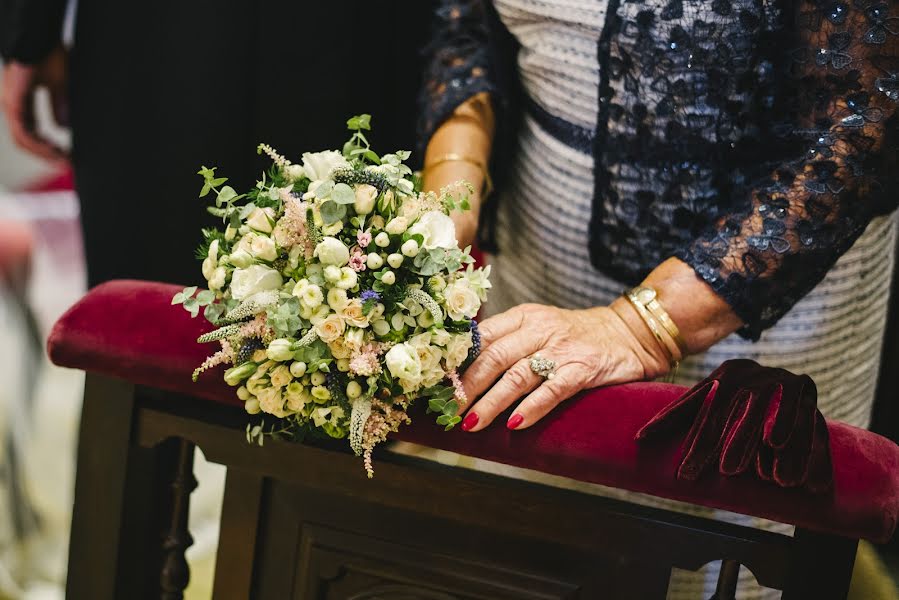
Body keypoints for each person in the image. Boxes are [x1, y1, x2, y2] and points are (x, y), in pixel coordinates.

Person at [407, 1, 899, 597]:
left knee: (718, 556)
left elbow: (869, 120)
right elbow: (466, 23)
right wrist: (453, 181)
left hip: (774, 271)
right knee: (546, 543)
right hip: (542, 241)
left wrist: (637, 328)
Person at [1, 0, 434, 286]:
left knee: (154, 313)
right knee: (329, 299)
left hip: (158, 37)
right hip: (356, 33)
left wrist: (28, 32)